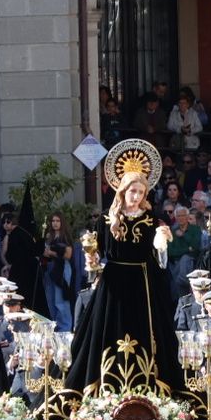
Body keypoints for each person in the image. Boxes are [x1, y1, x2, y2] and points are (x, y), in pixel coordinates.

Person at [63, 151, 186, 396]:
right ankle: (106, 386)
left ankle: (148, 387)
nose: (137, 196)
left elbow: (159, 260)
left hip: (143, 283)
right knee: (105, 332)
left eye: (141, 192)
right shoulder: (107, 220)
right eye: (133, 191)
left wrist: (162, 243)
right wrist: (91, 258)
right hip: (113, 284)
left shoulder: (151, 220)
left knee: (149, 333)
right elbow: (96, 260)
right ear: (122, 190)